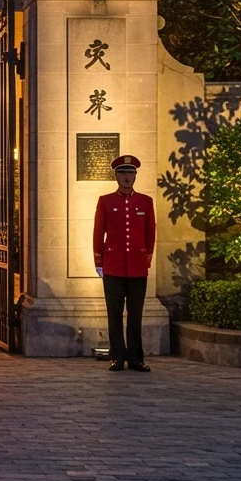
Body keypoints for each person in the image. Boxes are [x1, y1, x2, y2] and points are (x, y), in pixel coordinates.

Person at [93, 154, 156, 373]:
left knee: (136, 314)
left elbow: (150, 233)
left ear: (135, 176)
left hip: (137, 266)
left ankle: (136, 358)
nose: (127, 177)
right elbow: (99, 232)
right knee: (114, 313)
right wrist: (99, 261)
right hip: (113, 266)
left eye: (130, 173)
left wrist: (146, 258)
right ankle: (117, 357)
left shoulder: (145, 202)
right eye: (122, 173)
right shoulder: (106, 201)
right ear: (116, 176)